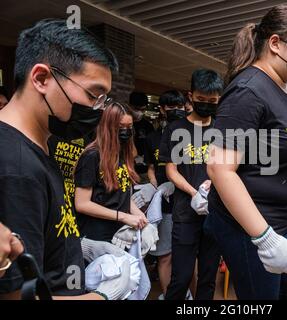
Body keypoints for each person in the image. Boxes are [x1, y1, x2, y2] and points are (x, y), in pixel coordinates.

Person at [206, 5, 287, 300]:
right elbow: (219, 169)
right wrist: (263, 237)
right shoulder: (248, 92)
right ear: (275, 43)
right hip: (250, 224)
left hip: (286, 217)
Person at [0, 19, 129, 300]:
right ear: (42, 79)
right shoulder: (15, 167)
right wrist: (102, 296)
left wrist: (79, 245)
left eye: (103, 101)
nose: (97, 110)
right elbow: (20, 296)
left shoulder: (40, 145)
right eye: (93, 95)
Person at [161, 69, 224, 300]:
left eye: (212, 101)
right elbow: (171, 169)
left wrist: (211, 184)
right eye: (201, 100)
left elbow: (228, 168)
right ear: (191, 96)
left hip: (215, 214)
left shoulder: (221, 130)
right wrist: (193, 192)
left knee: (208, 278)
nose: (206, 105)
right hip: (185, 213)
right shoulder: (176, 129)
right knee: (182, 276)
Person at [74, 102, 148, 242]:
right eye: (120, 127)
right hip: (95, 235)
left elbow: (121, 194)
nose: (126, 132)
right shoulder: (92, 156)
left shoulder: (122, 154)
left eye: (129, 127)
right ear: (108, 127)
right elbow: (82, 204)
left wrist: (138, 214)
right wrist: (124, 216)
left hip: (119, 232)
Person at [144, 90, 186, 298]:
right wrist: (154, 185)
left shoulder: (190, 134)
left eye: (180, 106)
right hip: (164, 204)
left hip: (188, 202)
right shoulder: (152, 139)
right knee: (165, 255)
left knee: (188, 255)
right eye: (171, 108)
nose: (176, 111)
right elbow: (151, 167)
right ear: (162, 109)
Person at [129, 91, 154, 174]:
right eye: (136, 109)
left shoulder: (148, 126)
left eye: (142, 109)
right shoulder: (123, 123)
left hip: (143, 168)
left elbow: (152, 146)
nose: (139, 112)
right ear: (130, 106)